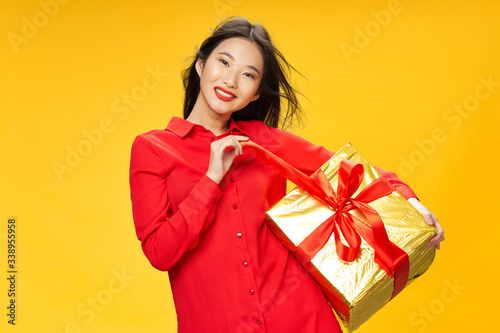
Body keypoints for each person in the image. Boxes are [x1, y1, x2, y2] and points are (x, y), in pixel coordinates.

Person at [129, 17, 444, 333]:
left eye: (248, 74)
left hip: (302, 318)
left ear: (254, 94)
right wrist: (211, 179)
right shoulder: (153, 149)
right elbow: (160, 252)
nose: (231, 80)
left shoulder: (265, 140)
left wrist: (411, 203)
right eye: (224, 62)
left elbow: (351, 170)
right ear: (201, 65)